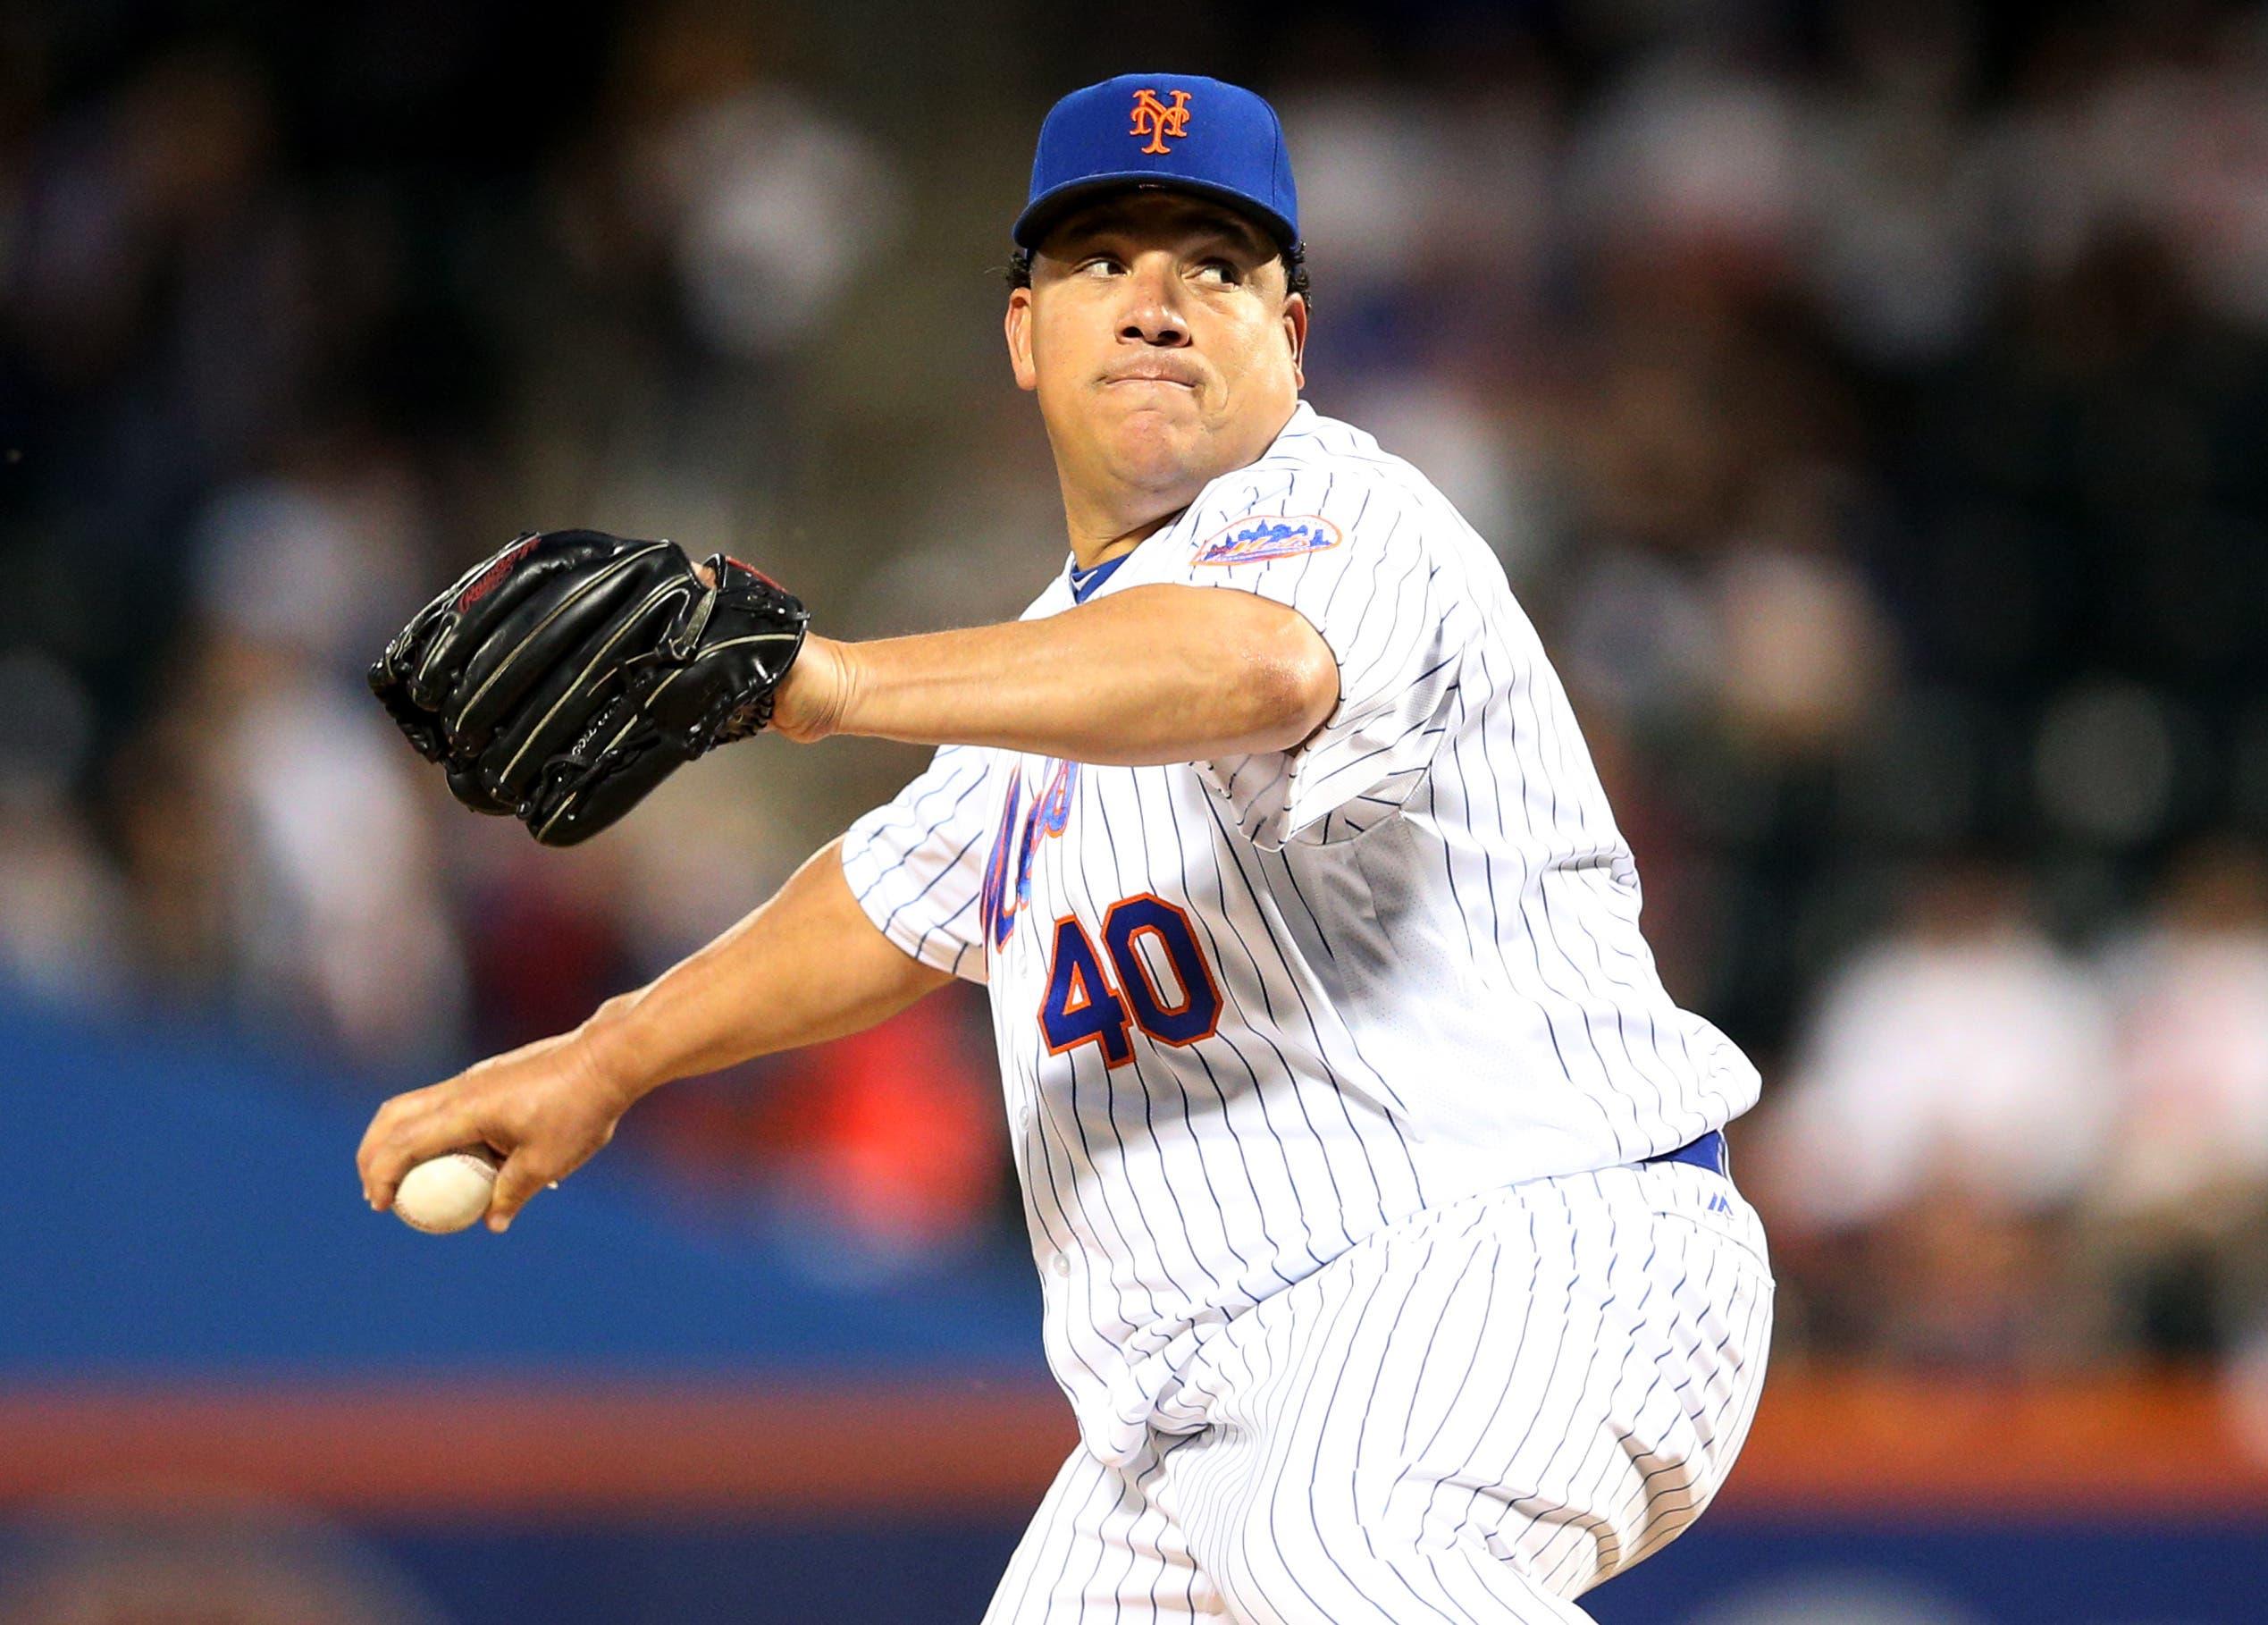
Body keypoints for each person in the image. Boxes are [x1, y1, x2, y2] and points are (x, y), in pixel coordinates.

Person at [357, 72, 1773, 1622]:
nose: (1158, 303)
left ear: (1290, 341)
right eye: (1105, 260)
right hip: (1204, 1402)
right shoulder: (1052, 670)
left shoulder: (1357, 515)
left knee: (1348, 1554)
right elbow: (891, 894)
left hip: (1528, 1252)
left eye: (1216, 268)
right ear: (1023, 332)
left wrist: (825, 681)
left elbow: (1261, 669)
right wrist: (607, 1057)